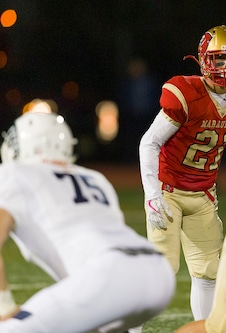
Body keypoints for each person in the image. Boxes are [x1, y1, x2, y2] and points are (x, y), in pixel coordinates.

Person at [0, 111, 175, 333]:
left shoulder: (13, 173)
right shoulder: (94, 178)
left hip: (110, 272)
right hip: (157, 272)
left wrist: (5, 307)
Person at [138, 24, 226, 326]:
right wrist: (152, 194)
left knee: (209, 271)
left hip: (204, 194)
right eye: (221, 59)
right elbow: (149, 142)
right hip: (168, 191)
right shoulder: (184, 93)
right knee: (160, 274)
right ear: (205, 60)